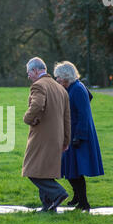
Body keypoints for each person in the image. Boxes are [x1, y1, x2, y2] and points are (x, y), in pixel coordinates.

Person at [22, 57, 71, 212]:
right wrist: (66, 140)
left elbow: (37, 104)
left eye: (29, 72)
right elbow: (67, 117)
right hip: (57, 137)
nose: (28, 76)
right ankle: (48, 206)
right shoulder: (60, 88)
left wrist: (27, 119)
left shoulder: (38, 86)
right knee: (45, 172)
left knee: (32, 170)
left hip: (42, 136)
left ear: (36, 70)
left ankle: (59, 193)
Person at [54, 61, 104, 212]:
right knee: (69, 169)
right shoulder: (74, 87)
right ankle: (77, 197)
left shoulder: (77, 90)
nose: (57, 80)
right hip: (72, 133)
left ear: (66, 77)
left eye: (58, 78)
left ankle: (84, 203)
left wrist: (79, 137)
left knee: (75, 171)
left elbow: (84, 115)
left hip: (78, 136)